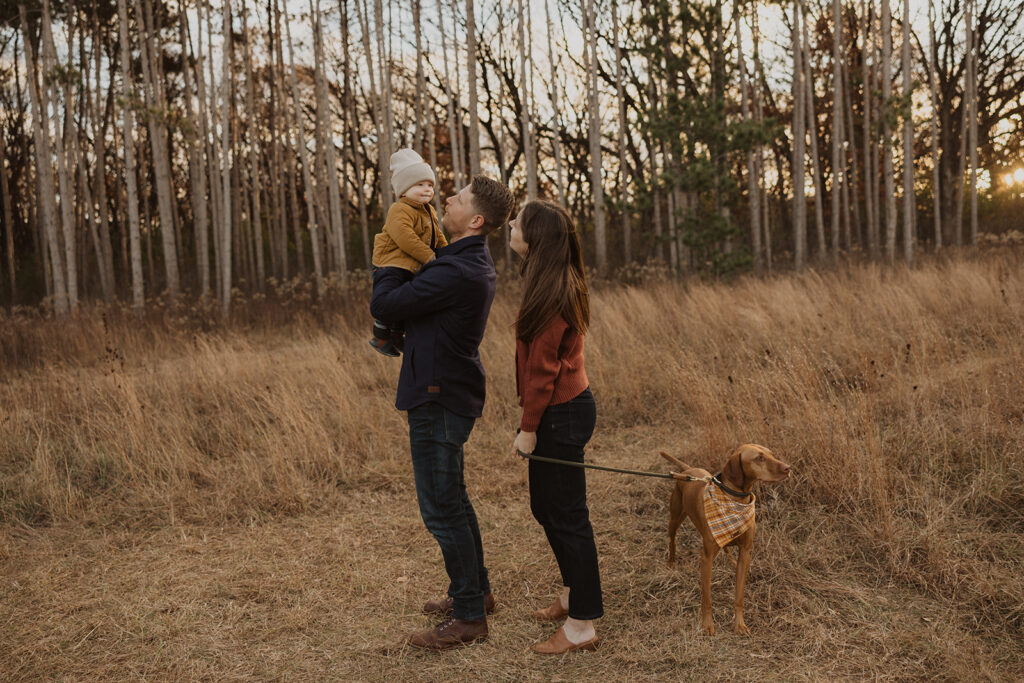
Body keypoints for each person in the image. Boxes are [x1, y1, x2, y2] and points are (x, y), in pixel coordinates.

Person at [370, 176, 516, 651]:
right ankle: (475, 592)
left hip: (438, 396)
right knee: (454, 498)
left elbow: (385, 302)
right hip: (442, 390)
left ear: (475, 220)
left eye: (457, 199)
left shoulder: (456, 269)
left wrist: (391, 254)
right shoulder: (457, 260)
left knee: (441, 509)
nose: (447, 199)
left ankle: (470, 617)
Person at [510, 199, 603, 654]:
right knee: (545, 508)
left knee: (567, 517)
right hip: (558, 409)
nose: (511, 224)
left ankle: (583, 625)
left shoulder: (553, 292)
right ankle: (571, 596)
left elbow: (543, 371)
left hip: (561, 412)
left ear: (537, 237)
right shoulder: (546, 280)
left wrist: (528, 428)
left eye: (519, 221)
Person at [369, 148, 448, 356]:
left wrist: (449, 254)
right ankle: (380, 334)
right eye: (419, 184)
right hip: (390, 264)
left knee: (405, 300)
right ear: (403, 190)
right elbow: (406, 238)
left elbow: (437, 236)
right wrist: (430, 257)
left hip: (410, 266)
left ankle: (396, 334)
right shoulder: (399, 209)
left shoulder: (429, 211)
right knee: (388, 298)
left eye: (430, 185)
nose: (426, 189)